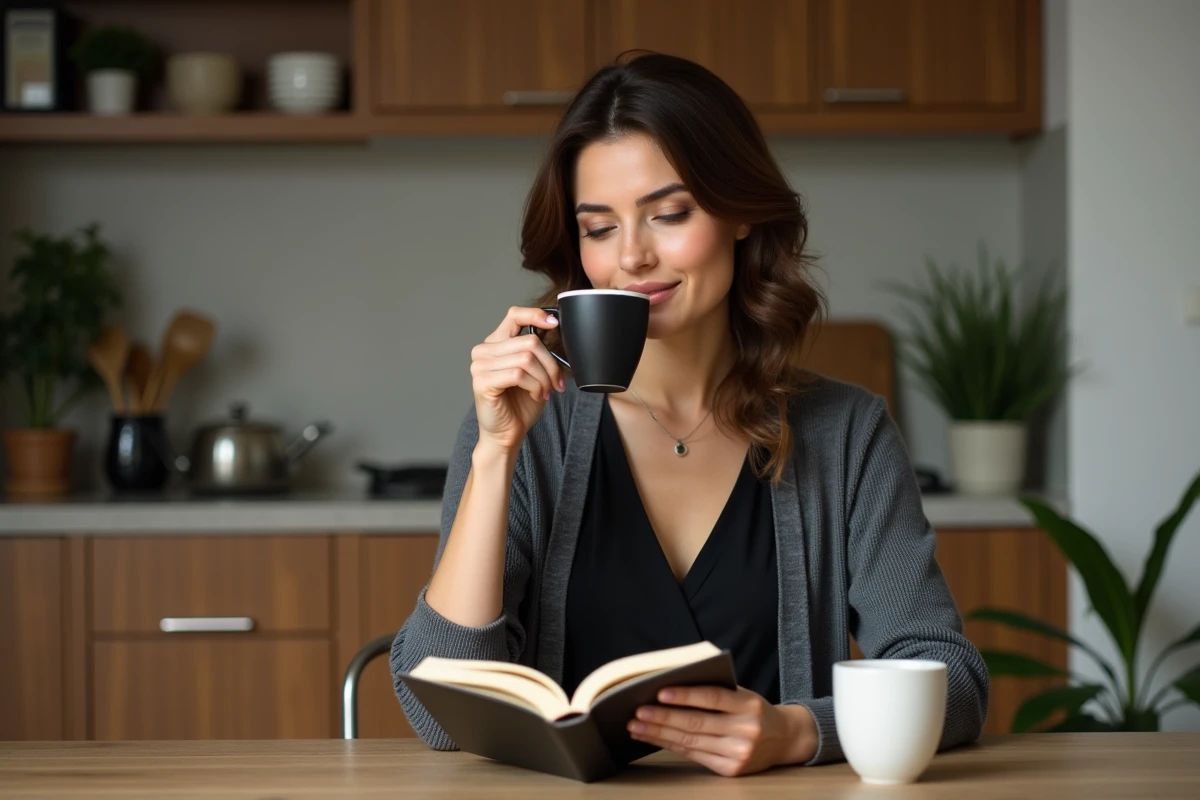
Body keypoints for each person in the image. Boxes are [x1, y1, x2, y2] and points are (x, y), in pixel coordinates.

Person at [390, 51, 988, 776]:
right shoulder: (529, 430)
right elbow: (435, 710)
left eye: (669, 215)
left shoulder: (847, 432)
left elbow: (951, 678)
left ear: (739, 212)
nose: (632, 257)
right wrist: (494, 454)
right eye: (599, 228)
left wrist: (797, 733)